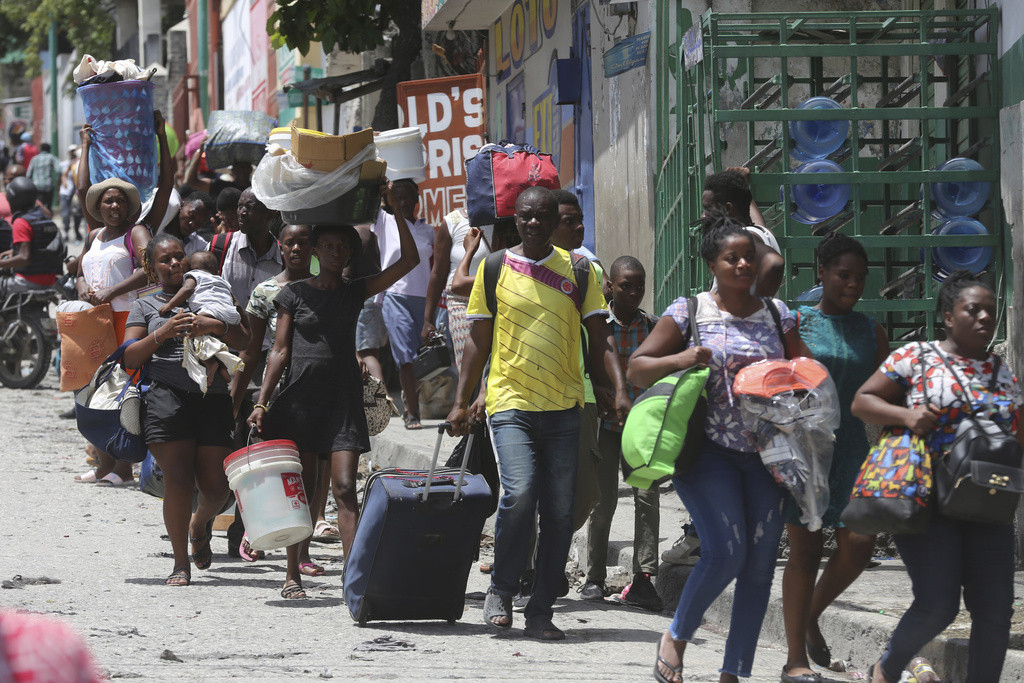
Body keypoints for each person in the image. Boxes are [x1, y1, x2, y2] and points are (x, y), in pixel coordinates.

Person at [446, 186, 629, 641]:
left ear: (553, 221)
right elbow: (478, 341)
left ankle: (542, 609)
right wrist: (461, 400)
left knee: (560, 512)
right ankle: (502, 589)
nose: (533, 223)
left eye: (543, 216)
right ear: (516, 219)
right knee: (520, 493)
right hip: (510, 402)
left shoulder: (580, 270)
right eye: (526, 216)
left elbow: (600, 336)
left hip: (566, 406)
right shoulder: (494, 268)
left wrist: (616, 388)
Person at [628, 212, 805, 683]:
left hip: (768, 455)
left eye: (749, 256)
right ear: (712, 264)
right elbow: (637, 368)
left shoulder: (777, 313)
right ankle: (676, 637)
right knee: (726, 552)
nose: (744, 265)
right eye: (732, 258)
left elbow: (805, 370)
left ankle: (733, 672)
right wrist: (682, 357)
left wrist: (793, 381)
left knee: (760, 563)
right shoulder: (690, 311)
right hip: (707, 453)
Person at [248, 184, 421, 599]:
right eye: (326, 246)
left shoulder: (354, 291)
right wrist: (262, 402)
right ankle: (292, 574)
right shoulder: (293, 294)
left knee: (344, 488)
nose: (334, 252)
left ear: (348, 254)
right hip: (300, 402)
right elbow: (279, 351)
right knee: (304, 490)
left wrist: (395, 209)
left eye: (341, 247)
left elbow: (410, 261)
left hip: (342, 402)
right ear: (315, 251)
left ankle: (355, 578)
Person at [851, 271, 1021, 683]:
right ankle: (887, 668)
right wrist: (907, 415)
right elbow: (862, 401)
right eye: (973, 310)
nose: (985, 317)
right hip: (925, 498)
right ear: (948, 316)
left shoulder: (1001, 371)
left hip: (986, 503)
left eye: (990, 310)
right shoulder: (917, 357)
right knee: (938, 604)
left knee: (995, 609)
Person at [781, 234, 888, 682]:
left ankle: (809, 616)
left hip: (854, 451)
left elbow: (887, 393)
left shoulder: (872, 331)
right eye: (844, 275)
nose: (853, 284)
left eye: (860, 278)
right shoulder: (796, 323)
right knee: (805, 550)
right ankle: (795, 660)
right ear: (821, 273)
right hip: (805, 449)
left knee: (860, 543)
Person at [123, 233, 249, 586]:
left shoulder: (213, 292)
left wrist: (215, 326)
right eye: (165, 259)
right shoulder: (145, 306)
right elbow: (129, 357)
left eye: (179, 256)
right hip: (166, 398)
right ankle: (181, 564)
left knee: (217, 488)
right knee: (177, 481)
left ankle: (199, 524)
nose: (175, 263)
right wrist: (161, 334)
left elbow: (244, 339)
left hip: (213, 398)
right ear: (152, 268)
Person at [72, 113, 173, 487]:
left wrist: (161, 138)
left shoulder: (137, 232)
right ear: (98, 207)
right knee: (95, 390)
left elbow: (151, 269)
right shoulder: (94, 236)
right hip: (95, 320)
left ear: (127, 206)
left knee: (123, 390)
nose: (113, 206)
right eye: (107, 201)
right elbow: (81, 271)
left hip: (128, 318)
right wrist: (83, 288)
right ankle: (105, 464)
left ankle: (123, 468)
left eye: (118, 201)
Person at [580, 255, 663, 612]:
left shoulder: (654, 328)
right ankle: (594, 577)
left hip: (643, 429)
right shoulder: (597, 326)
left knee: (647, 498)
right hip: (606, 426)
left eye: (639, 286)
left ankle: (644, 579)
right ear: (610, 287)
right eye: (626, 286)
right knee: (602, 501)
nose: (634, 292)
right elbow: (586, 366)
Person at [374, 179, 435, 428]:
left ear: (417, 199)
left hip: (424, 300)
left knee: (423, 357)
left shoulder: (428, 230)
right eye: (397, 197)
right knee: (406, 357)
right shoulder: (384, 221)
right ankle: (412, 412)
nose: (402, 202)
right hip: (395, 296)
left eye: (407, 197)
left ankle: (413, 399)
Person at [157, 250, 243, 390]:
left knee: (194, 331)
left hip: (209, 310)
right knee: (213, 339)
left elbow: (187, 289)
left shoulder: (194, 275)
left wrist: (170, 305)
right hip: (231, 314)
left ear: (192, 268)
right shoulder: (222, 280)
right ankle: (222, 369)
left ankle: (210, 363)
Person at [704, 167, 784, 298]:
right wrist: (742, 185)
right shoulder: (759, 232)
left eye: (708, 209)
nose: (704, 216)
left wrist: (753, 306)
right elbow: (753, 220)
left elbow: (774, 262)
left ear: (728, 209)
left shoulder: (743, 238)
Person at [0, 177, 63, 293]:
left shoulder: (21, 222)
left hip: (28, 281)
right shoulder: (45, 219)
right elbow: (39, 248)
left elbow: (24, 258)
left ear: (12, 199)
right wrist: (13, 252)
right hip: (50, 280)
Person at [184, 142, 251, 201]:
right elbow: (192, 182)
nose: (242, 170)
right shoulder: (221, 187)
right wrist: (200, 152)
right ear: (233, 170)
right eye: (239, 167)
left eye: (245, 167)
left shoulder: (255, 189)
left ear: (250, 169)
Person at [59, 146, 83, 242]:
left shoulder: (80, 163)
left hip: (76, 193)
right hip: (67, 192)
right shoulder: (70, 164)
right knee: (65, 214)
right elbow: (64, 175)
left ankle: (77, 232)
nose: (73, 153)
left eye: (74, 151)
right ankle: (66, 232)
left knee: (77, 214)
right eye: (71, 151)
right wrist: (64, 182)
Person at [26, 142, 60, 210]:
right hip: (48, 185)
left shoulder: (34, 159)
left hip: (37, 185)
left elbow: (28, 174)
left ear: (41, 149)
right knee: (49, 207)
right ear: (49, 149)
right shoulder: (51, 158)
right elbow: (59, 170)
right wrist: (58, 181)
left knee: (39, 206)